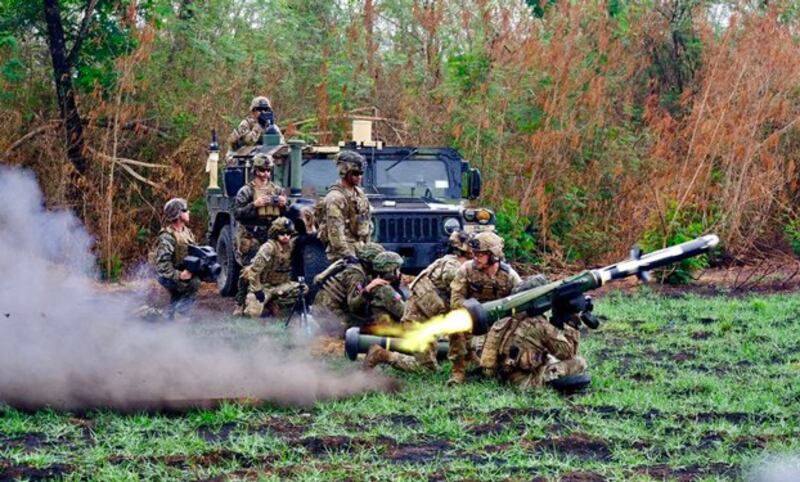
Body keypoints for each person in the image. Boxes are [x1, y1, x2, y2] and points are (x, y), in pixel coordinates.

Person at [365, 230, 473, 372]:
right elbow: (453, 279)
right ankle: (381, 355)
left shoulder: (450, 262)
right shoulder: (452, 266)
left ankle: (472, 362)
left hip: (428, 322)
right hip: (417, 323)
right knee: (427, 369)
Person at [448, 231, 521, 384]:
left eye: (480, 255)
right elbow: (456, 300)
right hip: (471, 321)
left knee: (491, 368)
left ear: (493, 255)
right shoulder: (466, 269)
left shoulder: (510, 276)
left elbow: (520, 303)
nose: (475, 258)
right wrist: (474, 312)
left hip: (499, 324)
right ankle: (458, 372)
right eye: (474, 254)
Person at [479, 302, 588, 389]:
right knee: (579, 362)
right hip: (523, 381)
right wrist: (571, 322)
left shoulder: (506, 317)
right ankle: (547, 384)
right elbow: (569, 353)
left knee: (549, 358)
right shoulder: (539, 324)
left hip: (501, 376)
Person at [232, 154, 288, 315]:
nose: (265, 174)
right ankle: (240, 303)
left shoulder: (277, 189)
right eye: (262, 170)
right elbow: (237, 213)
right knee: (249, 270)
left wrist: (285, 204)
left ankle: (267, 302)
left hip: (270, 235)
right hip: (250, 236)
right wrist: (254, 205)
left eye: (268, 170)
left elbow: (285, 212)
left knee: (270, 269)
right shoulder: (246, 191)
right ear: (255, 171)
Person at [312, 243, 404, 336]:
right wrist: (367, 290)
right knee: (368, 328)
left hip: (328, 309)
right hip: (328, 314)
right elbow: (353, 305)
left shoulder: (360, 268)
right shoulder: (356, 274)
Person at [242, 217, 304, 318]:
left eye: (288, 234)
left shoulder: (290, 245)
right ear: (275, 233)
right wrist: (257, 291)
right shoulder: (268, 248)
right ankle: (258, 303)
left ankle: (276, 304)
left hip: (280, 286)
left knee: (303, 289)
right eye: (282, 234)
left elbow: (302, 236)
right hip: (264, 287)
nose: (286, 236)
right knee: (252, 313)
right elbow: (254, 271)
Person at [151, 198, 201, 318]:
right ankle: (181, 315)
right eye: (185, 210)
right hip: (167, 274)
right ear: (178, 214)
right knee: (193, 283)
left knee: (180, 292)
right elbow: (162, 265)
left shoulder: (187, 232)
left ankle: (170, 316)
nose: (188, 212)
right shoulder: (167, 237)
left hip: (180, 270)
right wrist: (179, 275)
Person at [318, 151, 371, 261]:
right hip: (343, 253)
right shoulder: (335, 198)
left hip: (359, 247)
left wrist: (368, 248)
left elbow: (366, 224)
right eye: (355, 173)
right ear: (344, 172)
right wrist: (347, 255)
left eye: (361, 173)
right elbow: (335, 232)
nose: (359, 177)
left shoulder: (359, 194)